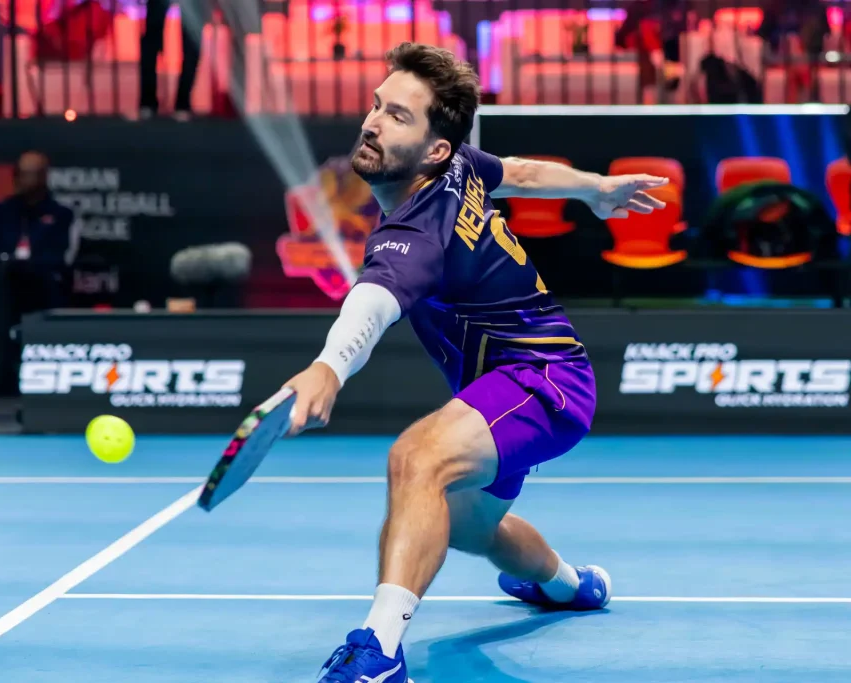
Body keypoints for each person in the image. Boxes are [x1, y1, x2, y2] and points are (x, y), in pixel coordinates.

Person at [280, 43, 669, 682]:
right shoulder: (459, 166)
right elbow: (518, 173)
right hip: (501, 391)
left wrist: (329, 366)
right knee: (467, 530)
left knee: (417, 459)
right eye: (377, 106)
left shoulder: (414, 231)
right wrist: (594, 188)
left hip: (544, 381)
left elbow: (372, 303)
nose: (372, 123)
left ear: (435, 149)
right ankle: (569, 586)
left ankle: (378, 652)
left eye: (397, 116)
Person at [0, 151, 77, 314]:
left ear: (43, 177)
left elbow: (65, 258)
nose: (22, 180)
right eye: (20, 174)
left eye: (30, 174)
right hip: (0, 290)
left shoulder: (63, 215)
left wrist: (27, 269)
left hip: (44, 293)